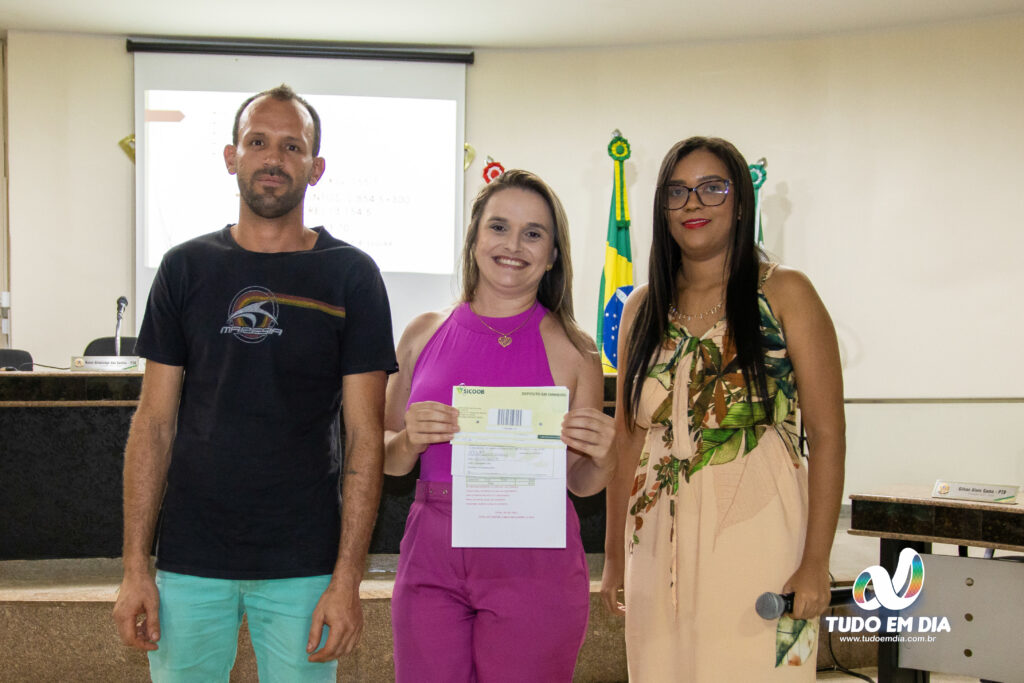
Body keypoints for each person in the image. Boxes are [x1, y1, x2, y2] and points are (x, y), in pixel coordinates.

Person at [112, 84, 398, 682]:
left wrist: (348, 579)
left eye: (292, 146)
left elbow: (365, 438)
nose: (274, 158)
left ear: (316, 168)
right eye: (257, 142)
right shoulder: (184, 268)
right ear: (231, 156)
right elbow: (154, 424)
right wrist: (136, 566)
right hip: (190, 562)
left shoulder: (352, 275)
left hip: (304, 564)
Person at [601, 137, 845, 681]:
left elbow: (828, 436)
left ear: (740, 203)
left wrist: (816, 562)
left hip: (764, 538)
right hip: (654, 541)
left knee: (766, 670)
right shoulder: (640, 307)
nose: (694, 204)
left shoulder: (785, 292)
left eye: (713, 188)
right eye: (678, 191)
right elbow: (627, 441)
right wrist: (615, 556)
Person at [384, 169, 616, 682]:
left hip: (536, 562)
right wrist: (406, 439)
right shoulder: (422, 335)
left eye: (534, 233)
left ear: (553, 254)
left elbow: (581, 483)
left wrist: (605, 456)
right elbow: (387, 457)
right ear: (473, 239)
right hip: (431, 560)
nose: (514, 245)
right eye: (498, 227)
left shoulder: (577, 353)